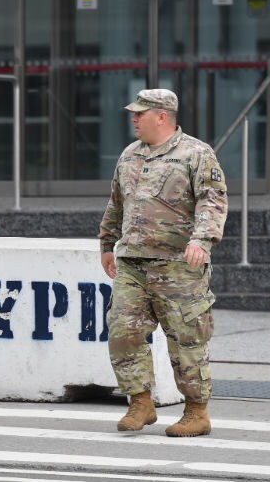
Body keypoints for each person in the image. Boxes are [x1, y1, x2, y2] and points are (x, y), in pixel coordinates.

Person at [98, 89, 228, 437]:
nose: (133, 118)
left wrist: (202, 240)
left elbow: (212, 201)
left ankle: (197, 412)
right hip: (133, 264)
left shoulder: (196, 153)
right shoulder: (129, 155)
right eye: (133, 113)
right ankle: (140, 403)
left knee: (186, 340)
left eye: (140, 113)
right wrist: (107, 243)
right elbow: (116, 203)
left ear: (162, 116)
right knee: (122, 332)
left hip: (177, 266)